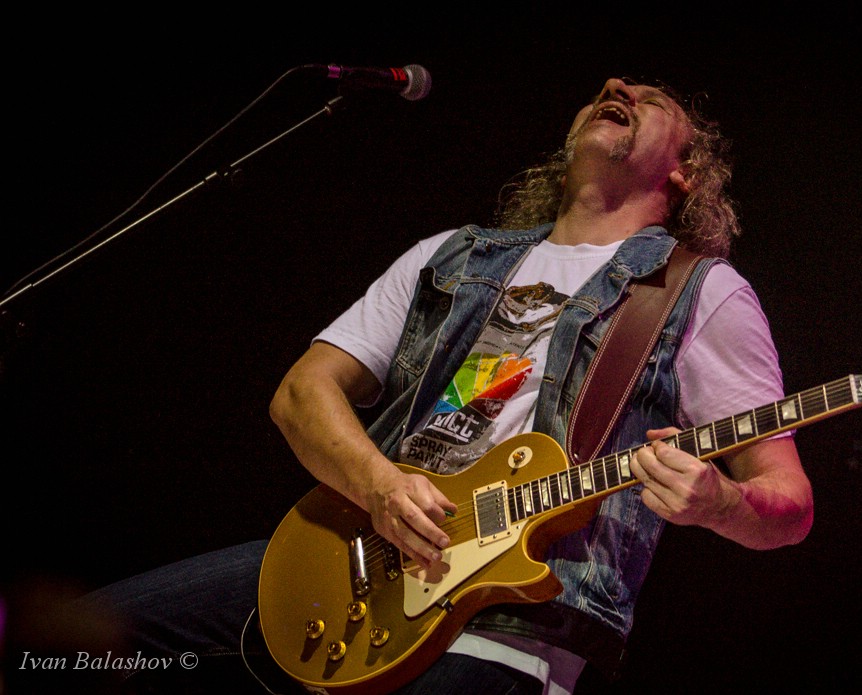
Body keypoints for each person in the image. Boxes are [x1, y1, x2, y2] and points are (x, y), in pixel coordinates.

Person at [61, 76, 813, 695]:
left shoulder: (700, 293)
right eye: (606, 88)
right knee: (65, 644)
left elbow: (788, 503)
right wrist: (381, 486)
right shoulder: (450, 255)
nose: (616, 86)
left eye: (648, 97)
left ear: (684, 174)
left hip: (506, 629)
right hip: (355, 558)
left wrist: (721, 503)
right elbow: (302, 393)